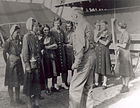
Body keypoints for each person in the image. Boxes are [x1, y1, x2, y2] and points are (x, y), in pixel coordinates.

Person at [69, 8, 96, 108]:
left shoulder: (80, 26)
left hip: (84, 59)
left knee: (74, 87)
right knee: (88, 86)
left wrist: (76, 63)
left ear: (76, 16)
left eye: (72, 17)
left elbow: (80, 48)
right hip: (92, 56)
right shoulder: (88, 25)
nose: (72, 20)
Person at [3, 24, 24, 106]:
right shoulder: (8, 42)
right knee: (11, 83)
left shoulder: (19, 41)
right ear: (12, 32)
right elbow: (4, 53)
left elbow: (21, 50)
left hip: (18, 63)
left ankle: (18, 99)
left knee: (18, 82)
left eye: (19, 32)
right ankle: (12, 100)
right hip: (11, 65)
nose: (18, 34)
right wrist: (7, 62)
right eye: (17, 32)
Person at [22, 17, 41, 108]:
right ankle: (30, 105)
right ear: (31, 26)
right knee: (29, 86)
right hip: (30, 65)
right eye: (35, 26)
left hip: (37, 64)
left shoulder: (36, 36)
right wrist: (27, 65)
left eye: (37, 26)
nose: (37, 28)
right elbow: (25, 52)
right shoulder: (26, 37)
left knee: (37, 84)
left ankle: (36, 104)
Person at [51, 17, 69, 90]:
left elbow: (65, 41)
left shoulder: (62, 31)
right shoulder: (51, 31)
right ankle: (54, 84)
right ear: (54, 23)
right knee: (55, 68)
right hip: (55, 51)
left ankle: (63, 83)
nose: (57, 24)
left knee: (64, 67)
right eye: (56, 23)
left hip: (62, 50)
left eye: (58, 23)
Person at [116, 21, 133, 93]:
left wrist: (118, 44)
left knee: (126, 70)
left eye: (118, 26)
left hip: (125, 54)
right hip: (122, 54)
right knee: (122, 70)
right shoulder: (122, 34)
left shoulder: (126, 34)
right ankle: (124, 85)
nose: (117, 27)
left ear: (120, 27)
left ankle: (126, 86)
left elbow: (124, 45)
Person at [94, 20, 112, 89]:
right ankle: (96, 83)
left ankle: (104, 83)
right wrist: (100, 36)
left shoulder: (109, 33)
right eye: (101, 25)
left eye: (104, 25)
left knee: (105, 67)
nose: (102, 27)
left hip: (105, 52)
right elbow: (95, 40)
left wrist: (99, 40)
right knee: (97, 67)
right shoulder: (99, 33)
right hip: (98, 52)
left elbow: (106, 43)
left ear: (107, 25)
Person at [42, 24, 58, 93]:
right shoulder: (42, 39)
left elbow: (55, 46)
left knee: (54, 71)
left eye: (47, 30)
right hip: (45, 58)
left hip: (52, 56)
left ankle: (53, 86)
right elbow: (41, 48)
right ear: (43, 31)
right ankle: (46, 87)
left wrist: (48, 47)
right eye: (45, 30)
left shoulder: (52, 37)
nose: (46, 31)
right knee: (46, 72)